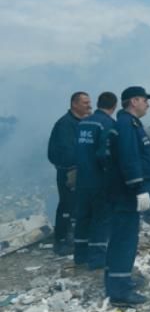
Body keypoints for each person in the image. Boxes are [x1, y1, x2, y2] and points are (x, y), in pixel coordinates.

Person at [105, 86, 150, 306]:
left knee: (122, 239)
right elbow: (129, 158)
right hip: (126, 194)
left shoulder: (130, 123)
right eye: (145, 100)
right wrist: (139, 188)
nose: (148, 104)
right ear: (134, 101)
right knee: (124, 240)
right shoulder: (126, 124)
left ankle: (118, 282)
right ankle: (120, 292)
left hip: (124, 193)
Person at [74, 91, 117, 269]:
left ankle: (80, 255)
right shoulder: (107, 124)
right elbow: (104, 154)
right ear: (114, 107)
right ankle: (97, 259)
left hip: (82, 178)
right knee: (101, 218)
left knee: (83, 217)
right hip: (99, 180)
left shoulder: (83, 123)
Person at [48, 91, 92, 255]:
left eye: (89, 102)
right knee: (67, 205)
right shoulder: (65, 124)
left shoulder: (86, 122)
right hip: (70, 172)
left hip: (85, 171)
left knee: (80, 207)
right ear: (74, 104)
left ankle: (75, 237)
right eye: (85, 103)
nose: (89, 105)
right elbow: (64, 151)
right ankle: (60, 241)